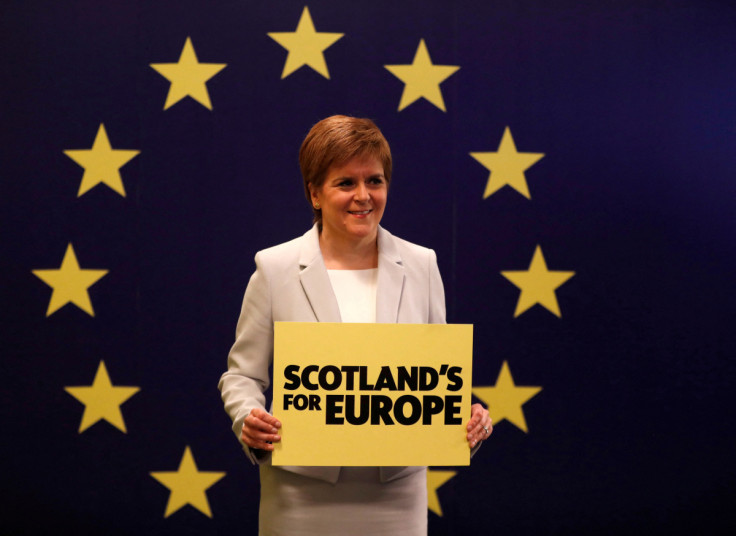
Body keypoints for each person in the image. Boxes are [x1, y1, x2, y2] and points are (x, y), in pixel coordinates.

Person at [219, 115, 492, 535]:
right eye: (346, 183)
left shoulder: (423, 265)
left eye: (375, 181)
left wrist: (467, 419)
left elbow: (436, 377)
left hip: (396, 494)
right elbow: (241, 376)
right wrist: (249, 418)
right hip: (299, 493)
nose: (363, 196)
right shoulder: (273, 268)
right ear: (314, 193)